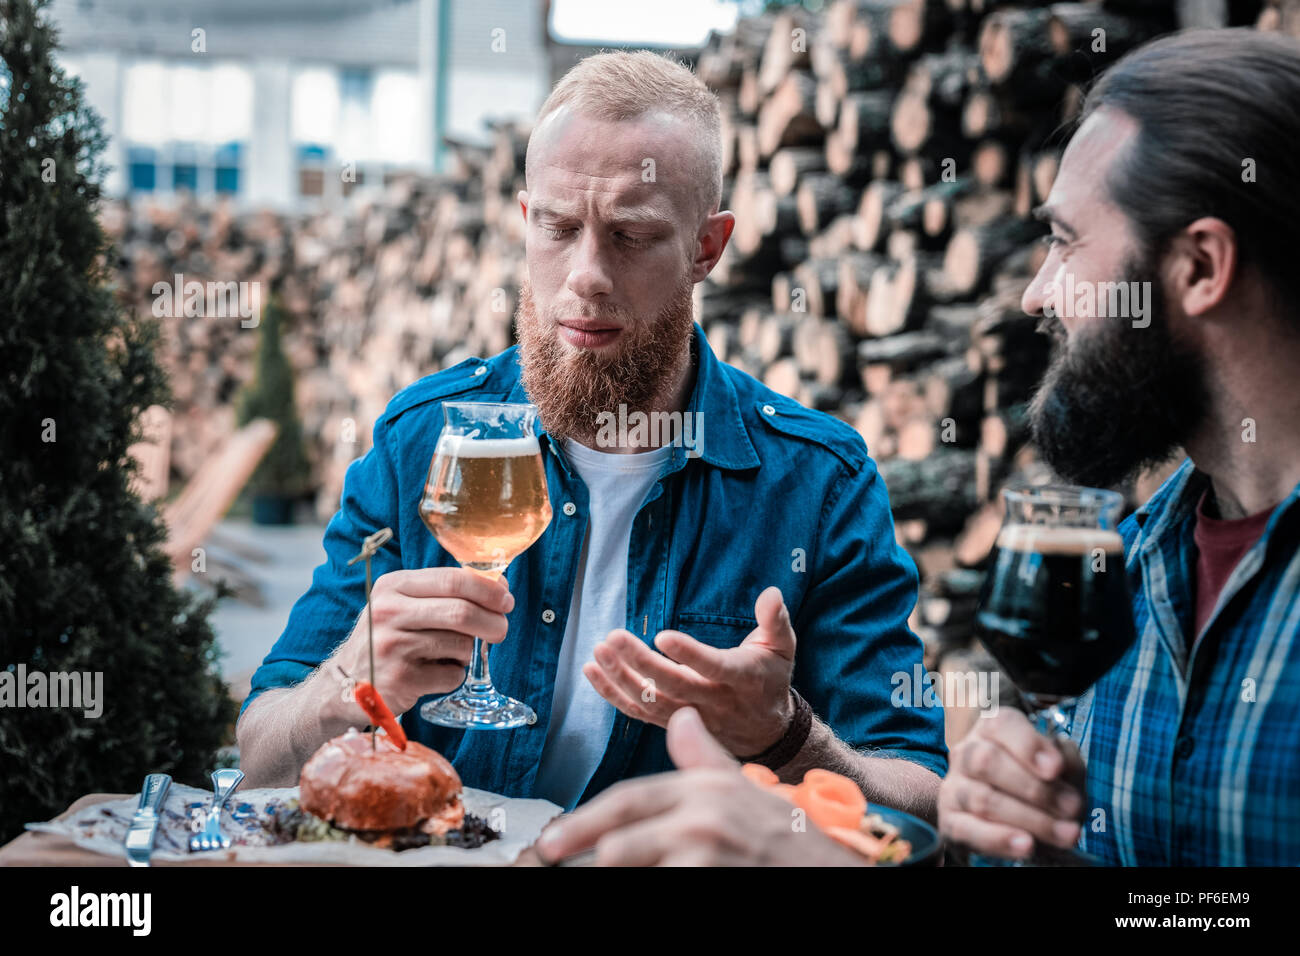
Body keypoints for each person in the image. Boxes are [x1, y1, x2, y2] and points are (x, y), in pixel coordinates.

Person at [536, 27, 1300, 866]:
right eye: (555, 226)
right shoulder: (1138, 560)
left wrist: (812, 840)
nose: (1037, 294)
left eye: (1066, 243)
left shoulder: (819, 479)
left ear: (1198, 268)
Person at [237, 50, 946, 818]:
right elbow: (259, 758)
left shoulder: (817, 481)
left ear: (708, 247)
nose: (585, 275)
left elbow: (920, 800)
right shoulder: (424, 439)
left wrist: (784, 735)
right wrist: (349, 675)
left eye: (630, 235)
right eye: (559, 226)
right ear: (524, 221)